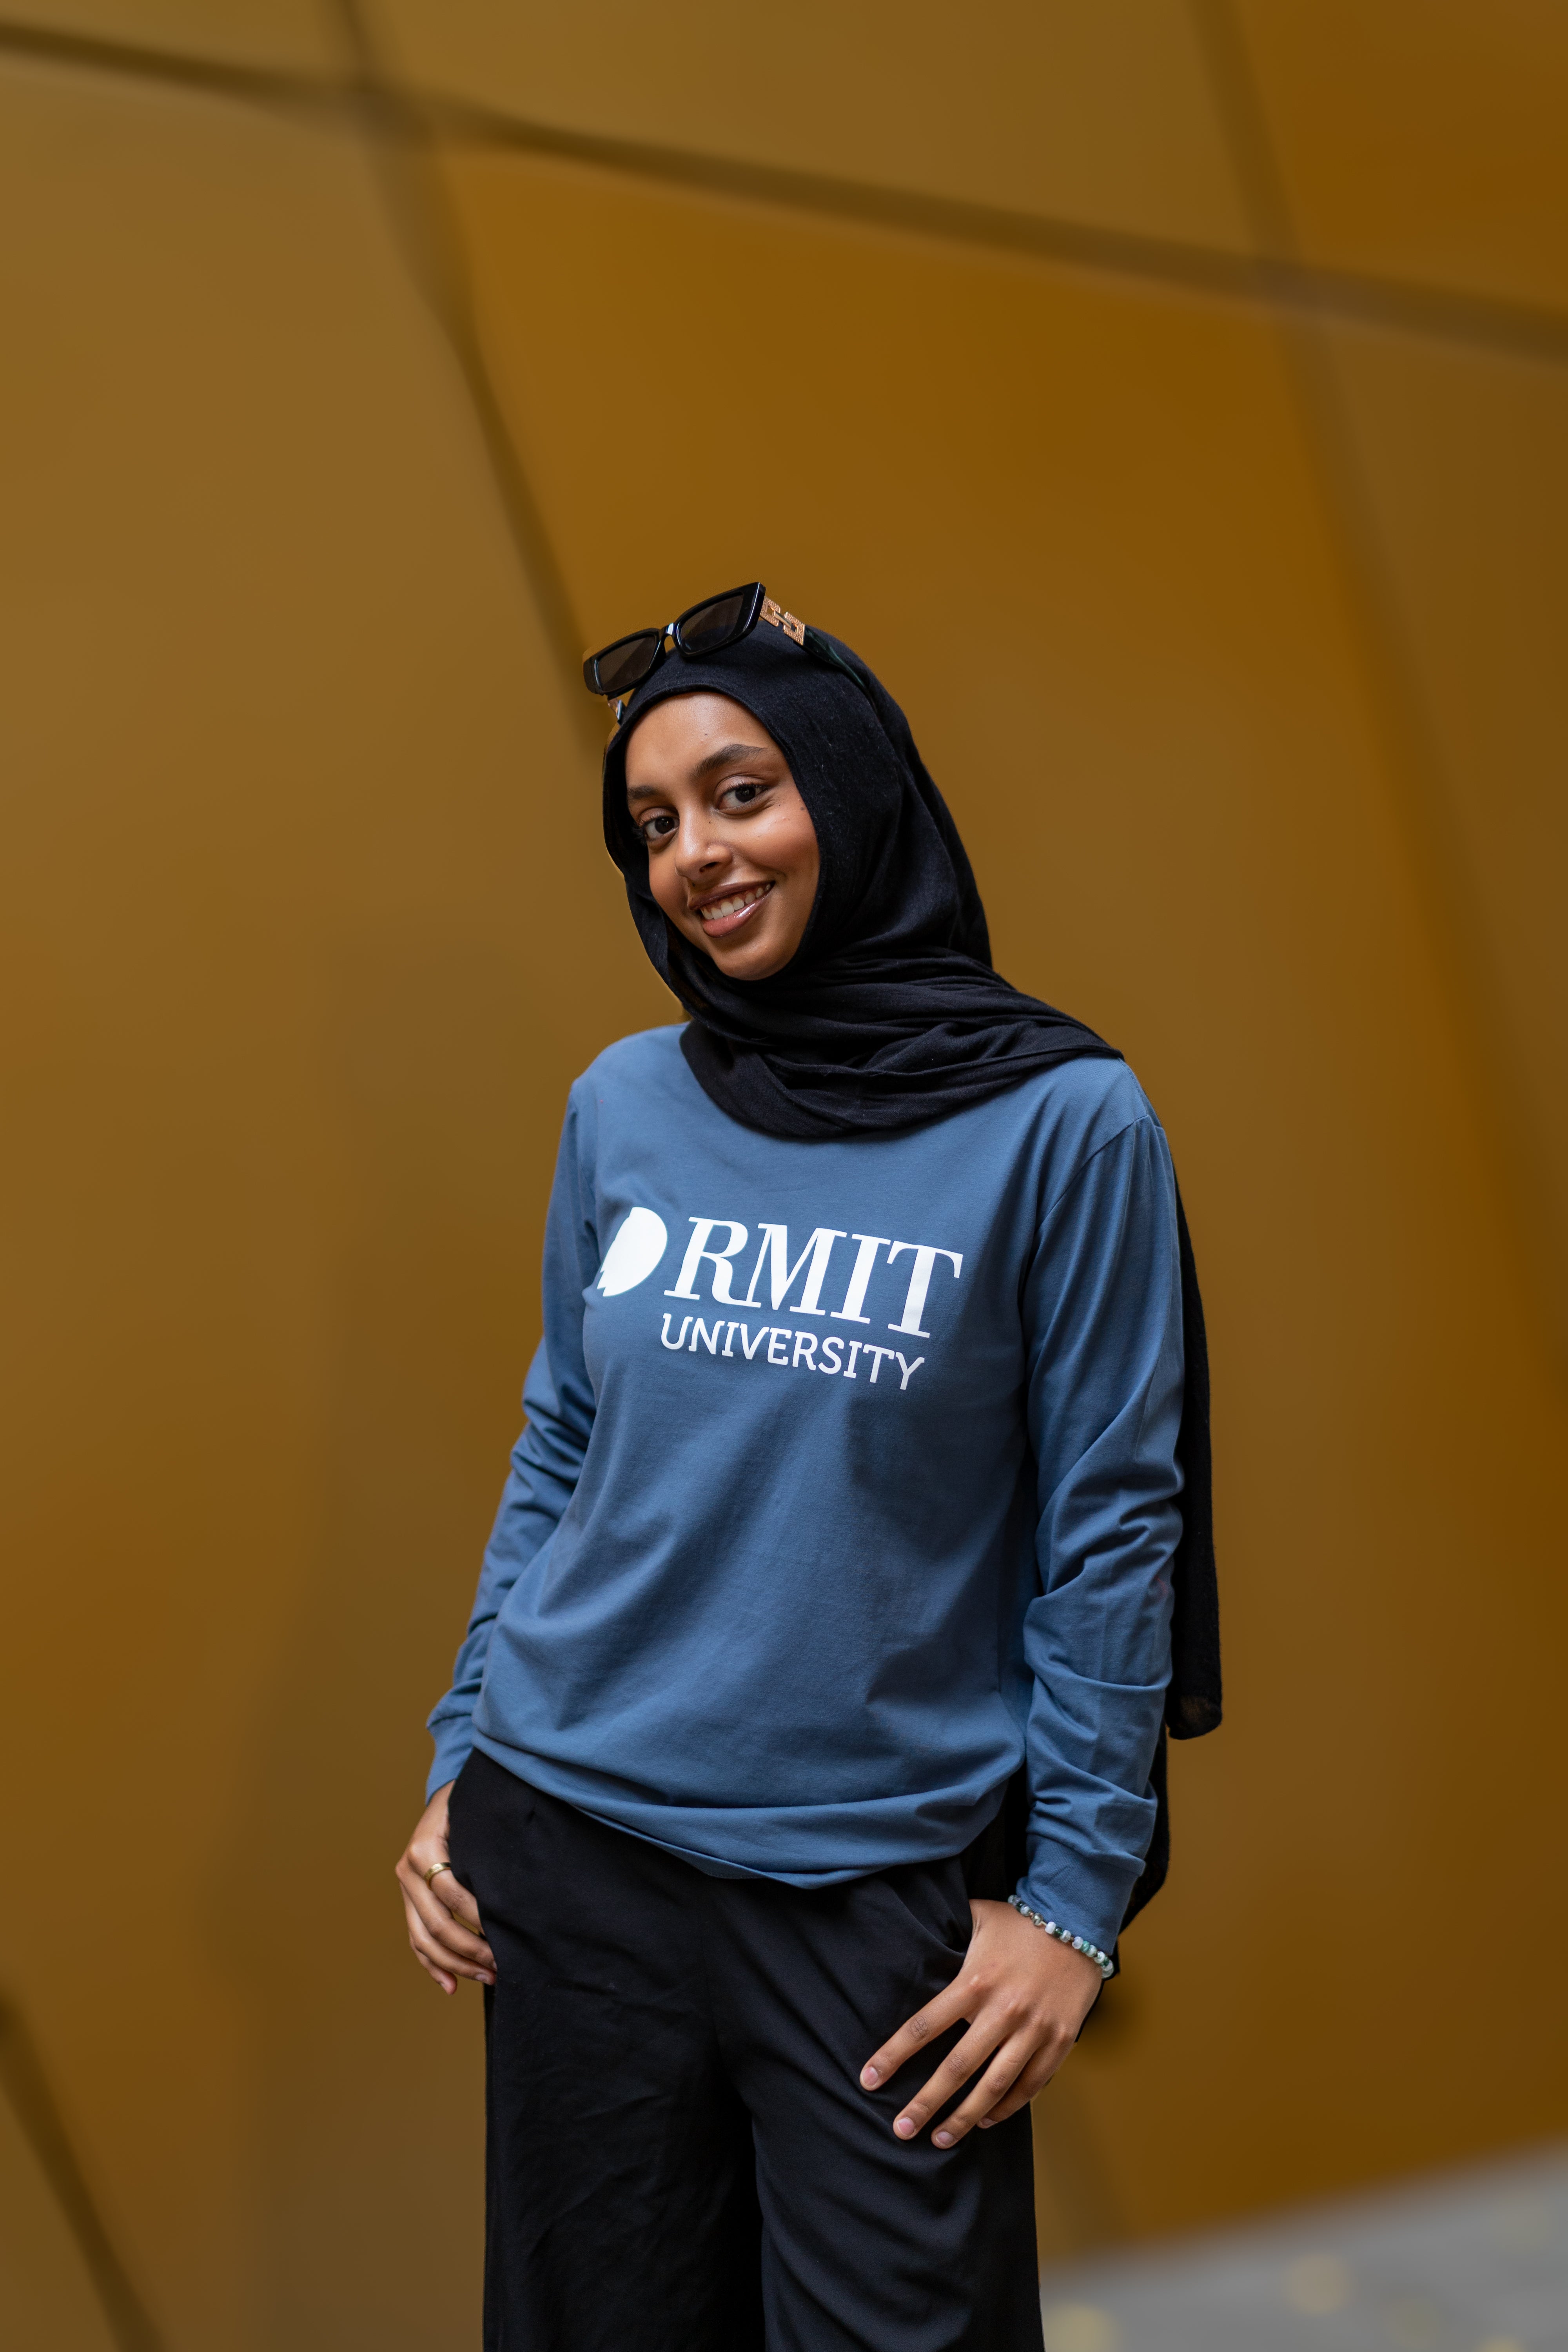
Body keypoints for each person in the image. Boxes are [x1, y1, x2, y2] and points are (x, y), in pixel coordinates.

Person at [396, 586, 1220, 2351]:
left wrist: (1072, 1902)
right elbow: (564, 1442)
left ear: (847, 791)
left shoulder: (1064, 1122)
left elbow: (1109, 1524)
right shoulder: (623, 1103)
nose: (696, 852)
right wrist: (466, 1747)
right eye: (653, 824)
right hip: (578, 1850)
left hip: (868, 1898)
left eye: (740, 790)